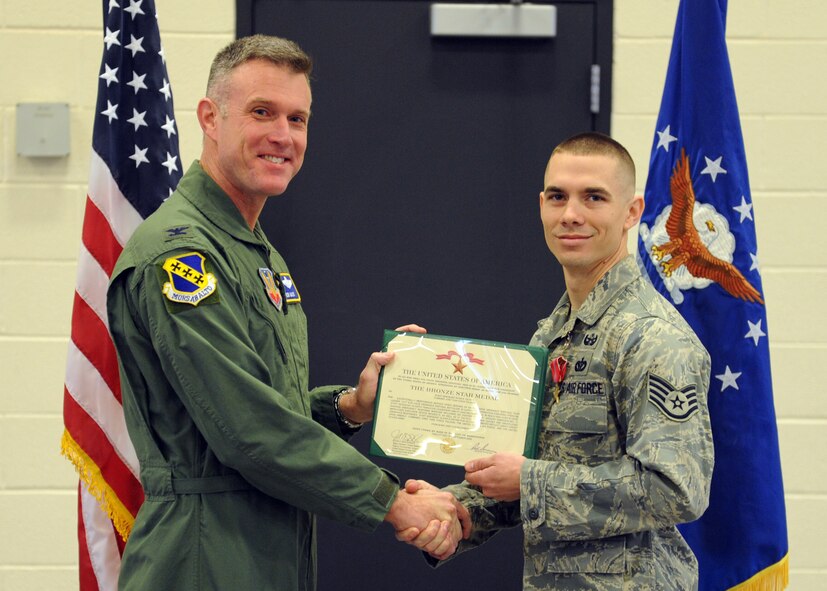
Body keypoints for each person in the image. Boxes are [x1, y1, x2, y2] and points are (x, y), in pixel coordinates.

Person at [107, 35, 467, 591]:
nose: (283, 136)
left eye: (297, 119)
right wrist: (393, 502)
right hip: (202, 558)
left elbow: (273, 408)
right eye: (261, 112)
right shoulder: (183, 258)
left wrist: (348, 407)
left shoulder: (253, 250)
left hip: (265, 549)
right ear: (210, 117)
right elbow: (250, 431)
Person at [399, 132, 714, 589]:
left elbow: (674, 490)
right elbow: (528, 469)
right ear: (541, 205)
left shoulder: (652, 337)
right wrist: (456, 511)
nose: (571, 215)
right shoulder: (552, 334)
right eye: (557, 197)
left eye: (594, 198)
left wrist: (530, 481)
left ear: (632, 212)